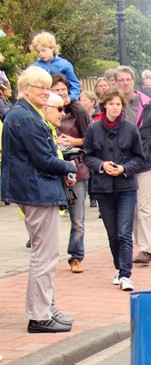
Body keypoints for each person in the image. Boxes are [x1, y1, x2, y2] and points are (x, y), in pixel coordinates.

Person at [0, 67, 77, 332]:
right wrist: (70, 168)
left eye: (47, 87)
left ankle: (43, 309)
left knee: (44, 254)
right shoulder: (27, 118)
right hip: (37, 191)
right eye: (39, 87)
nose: (46, 92)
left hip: (34, 189)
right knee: (45, 255)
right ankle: (40, 315)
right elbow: (43, 159)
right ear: (25, 89)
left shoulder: (22, 114)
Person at [83, 88, 145, 291]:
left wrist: (124, 168)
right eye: (111, 104)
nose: (115, 107)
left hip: (126, 186)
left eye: (118, 104)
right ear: (104, 105)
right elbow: (87, 155)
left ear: (122, 106)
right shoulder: (94, 129)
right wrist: (102, 165)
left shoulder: (130, 128)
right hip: (103, 188)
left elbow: (139, 158)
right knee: (112, 233)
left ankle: (126, 274)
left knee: (124, 231)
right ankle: (119, 268)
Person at [114, 66, 151, 265]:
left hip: (145, 162)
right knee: (130, 208)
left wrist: (148, 151)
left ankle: (145, 248)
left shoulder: (148, 105)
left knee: (144, 207)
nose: (125, 83)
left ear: (134, 81)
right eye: (121, 80)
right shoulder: (114, 104)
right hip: (122, 164)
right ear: (115, 83)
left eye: (128, 79)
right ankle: (134, 244)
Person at [50, 74, 91, 274]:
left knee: (77, 218)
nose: (61, 93)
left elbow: (91, 139)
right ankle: (48, 254)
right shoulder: (45, 112)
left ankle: (76, 256)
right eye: (56, 90)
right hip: (52, 168)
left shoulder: (78, 111)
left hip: (77, 169)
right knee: (50, 216)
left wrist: (73, 142)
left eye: (63, 90)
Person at [29, 31, 81, 101]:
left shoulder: (64, 64)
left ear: (52, 48)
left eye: (43, 50)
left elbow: (75, 84)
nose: (41, 54)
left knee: (81, 111)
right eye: (38, 52)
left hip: (63, 99)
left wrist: (71, 98)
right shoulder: (35, 67)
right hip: (44, 99)